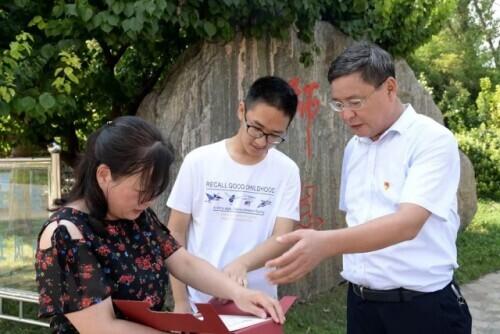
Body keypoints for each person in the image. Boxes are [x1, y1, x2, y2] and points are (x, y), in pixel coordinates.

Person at [266, 42, 472, 333]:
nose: (346, 115)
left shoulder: (431, 140)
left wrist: (324, 244)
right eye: (339, 104)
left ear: (389, 88)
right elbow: (358, 220)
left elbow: (407, 224)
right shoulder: (355, 147)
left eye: (355, 101)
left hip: (421, 309)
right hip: (362, 305)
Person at [35, 116, 284, 334]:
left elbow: (183, 262)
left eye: (155, 193)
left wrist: (239, 293)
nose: (148, 201)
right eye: (141, 191)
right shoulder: (65, 234)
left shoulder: (137, 216)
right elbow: (101, 328)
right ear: (104, 175)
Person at [167, 76, 300, 313]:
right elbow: (176, 232)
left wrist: (243, 263)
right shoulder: (199, 161)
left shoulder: (286, 171)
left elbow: (282, 237)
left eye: (274, 136)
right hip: (201, 301)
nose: (261, 141)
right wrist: (181, 301)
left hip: (259, 302)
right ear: (241, 110)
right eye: (256, 128)